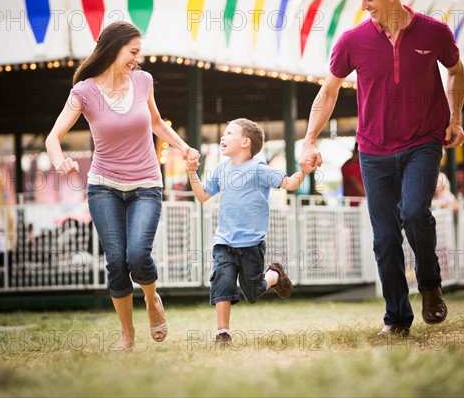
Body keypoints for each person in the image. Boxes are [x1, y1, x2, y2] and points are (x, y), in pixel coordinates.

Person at [299, 0, 464, 337]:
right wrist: (309, 139)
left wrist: (454, 118)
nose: (364, 5)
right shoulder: (352, 41)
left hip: (423, 142)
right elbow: (328, 92)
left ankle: (429, 285)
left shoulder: (434, 33)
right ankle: (397, 318)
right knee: (385, 237)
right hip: (373, 150)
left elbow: (455, 72)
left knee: (413, 212)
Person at [45, 21, 200, 351]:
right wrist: (59, 160)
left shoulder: (143, 82)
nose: (137, 59)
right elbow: (53, 137)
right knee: (115, 261)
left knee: (137, 254)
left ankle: (152, 298)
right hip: (103, 187)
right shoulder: (85, 91)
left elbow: (157, 122)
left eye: (138, 53)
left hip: (145, 183)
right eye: (133, 52)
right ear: (114, 48)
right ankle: (127, 334)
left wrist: (183, 147)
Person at [185, 118, 315, 348]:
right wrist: (191, 171)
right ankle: (222, 334)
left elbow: (289, 184)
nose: (222, 137)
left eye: (228, 133)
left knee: (252, 292)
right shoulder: (221, 169)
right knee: (222, 283)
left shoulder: (259, 169)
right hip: (224, 242)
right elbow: (203, 195)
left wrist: (303, 172)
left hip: (252, 245)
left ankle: (274, 275)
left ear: (245, 142)